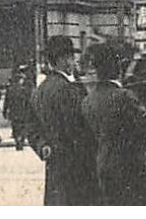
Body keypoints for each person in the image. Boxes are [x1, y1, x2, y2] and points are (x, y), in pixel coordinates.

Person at [80, 44, 146, 205]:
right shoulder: (124, 96)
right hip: (134, 168)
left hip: (105, 166)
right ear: (118, 68)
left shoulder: (88, 100)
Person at [31, 36, 99, 206]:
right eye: (71, 57)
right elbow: (80, 128)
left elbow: (31, 127)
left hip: (54, 165)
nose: (74, 61)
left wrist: (42, 145)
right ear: (62, 59)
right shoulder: (69, 90)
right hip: (77, 167)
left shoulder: (40, 90)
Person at [5, 64, 35, 151]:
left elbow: (7, 100)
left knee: (17, 126)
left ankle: (19, 140)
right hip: (22, 110)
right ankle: (20, 139)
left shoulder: (12, 87)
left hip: (15, 111)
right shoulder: (27, 86)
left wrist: (5, 110)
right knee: (21, 126)